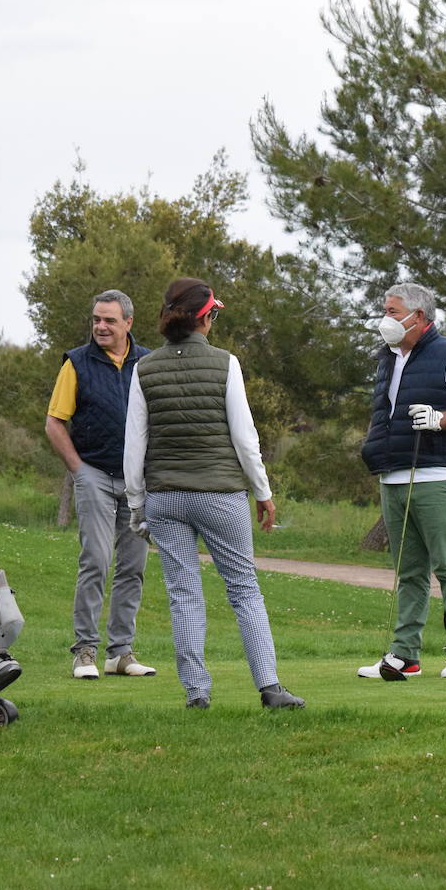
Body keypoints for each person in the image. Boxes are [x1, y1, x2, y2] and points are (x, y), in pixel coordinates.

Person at [124, 277, 303, 710]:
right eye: (213, 315)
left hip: (164, 497)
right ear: (204, 318)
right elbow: (245, 438)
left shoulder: (143, 368)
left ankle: (197, 693)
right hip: (220, 494)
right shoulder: (226, 363)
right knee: (243, 588)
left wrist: (135, 504)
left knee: (183, 593)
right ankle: (269, 687)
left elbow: (134, 445)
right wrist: (263, 491)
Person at [357, 282, 446, 680]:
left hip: (439, 476)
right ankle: (404, 656)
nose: (386, 319)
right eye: (386, 310)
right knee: (408, 570)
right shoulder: (388, 358)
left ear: (418, 317)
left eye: (393, 312)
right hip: (394, 476)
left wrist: (439, 419)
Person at [46, 290, 157, 680]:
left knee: (134, 566)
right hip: (93, 471)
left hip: (137, 480)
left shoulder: (148, 363)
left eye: (109, 320)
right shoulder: (76, 362)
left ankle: (120, 653)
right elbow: (55, 422)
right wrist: (77, 469)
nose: (100, 326)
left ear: (128, 323)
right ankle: (85, 651)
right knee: (95, 559)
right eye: (96, 319)